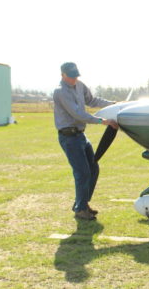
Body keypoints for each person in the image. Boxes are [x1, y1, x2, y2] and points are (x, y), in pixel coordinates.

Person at [53, 62, 119, 220]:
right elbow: (78, 114)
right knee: (82, 173)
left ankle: (81, 204)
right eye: (70, 76)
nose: (74, 79)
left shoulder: (80, 85)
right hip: (69, 137)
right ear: (62, 75)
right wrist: (102, 121)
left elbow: (93, 100)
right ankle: (81, 209)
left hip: (80, 136)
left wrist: (113, 104)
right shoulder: (60, 92)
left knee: (93, 168)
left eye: (76, 75)